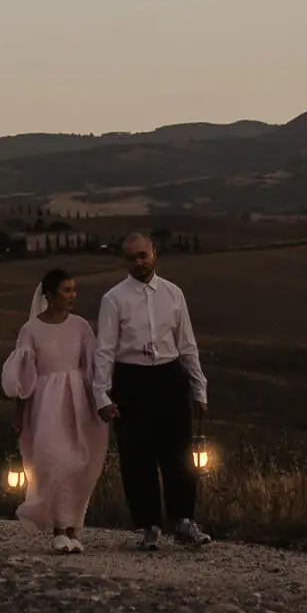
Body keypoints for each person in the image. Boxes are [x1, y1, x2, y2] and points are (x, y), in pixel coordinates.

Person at [93, 232, 210, 551]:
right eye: (132, 257)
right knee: (136, 456)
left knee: (179, 453)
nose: (139, 262)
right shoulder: (113, 299)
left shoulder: (173, 294)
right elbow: (104, 350)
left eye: (143, 255)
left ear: (154, 254)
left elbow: (187, 344)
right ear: (124, 261)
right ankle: (149, 526)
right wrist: (101, 395)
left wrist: (199, 387)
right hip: (131, 381)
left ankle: (184, 520)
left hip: (169, 377)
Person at [1, 266, 109, 554]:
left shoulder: (81, 327)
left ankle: (73, 527)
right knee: (53, 461)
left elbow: (93, 368)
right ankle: (59, 528)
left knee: (77, 463)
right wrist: (18, 413)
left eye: (74, 290)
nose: (72, 295)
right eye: (66, 290)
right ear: (49, 294)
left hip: (77, 403)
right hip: (46, 405)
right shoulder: (31, 330)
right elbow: (24, 376)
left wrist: (102, 401)